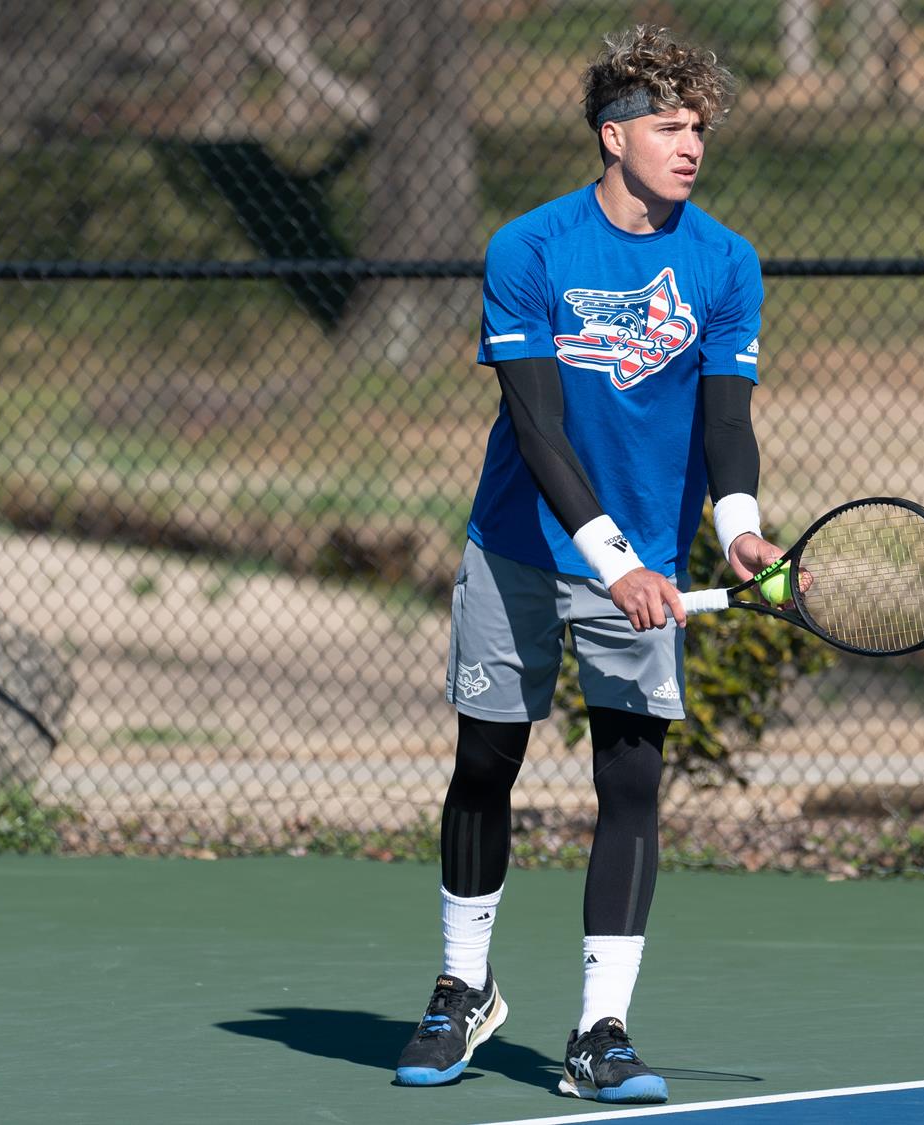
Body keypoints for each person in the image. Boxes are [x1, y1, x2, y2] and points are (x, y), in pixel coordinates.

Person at [391, 23, 781, 1106]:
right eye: (667, 125)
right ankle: (460, 991)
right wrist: (608, 560)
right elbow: (537, 426)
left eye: (697, 126)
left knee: (629, 781)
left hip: (648, 559)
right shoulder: (529, 248)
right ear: (612, 138)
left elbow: (725, 421)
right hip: (521, 544)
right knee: (484, 767)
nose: (689, 144)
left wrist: (738, 526)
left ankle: (599, 1032)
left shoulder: (723, 262)